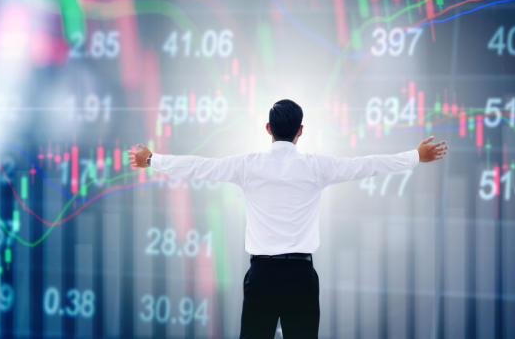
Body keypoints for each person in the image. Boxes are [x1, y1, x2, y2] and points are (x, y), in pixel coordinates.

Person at [131, 99, 448, 338]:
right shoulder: (316, 167)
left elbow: (199, 167)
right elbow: (366, 165)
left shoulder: (248, 165)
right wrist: (415, 156)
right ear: (300, 131)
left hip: (262, 277)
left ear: (268, 129)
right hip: (300, 277)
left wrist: (152, 159)